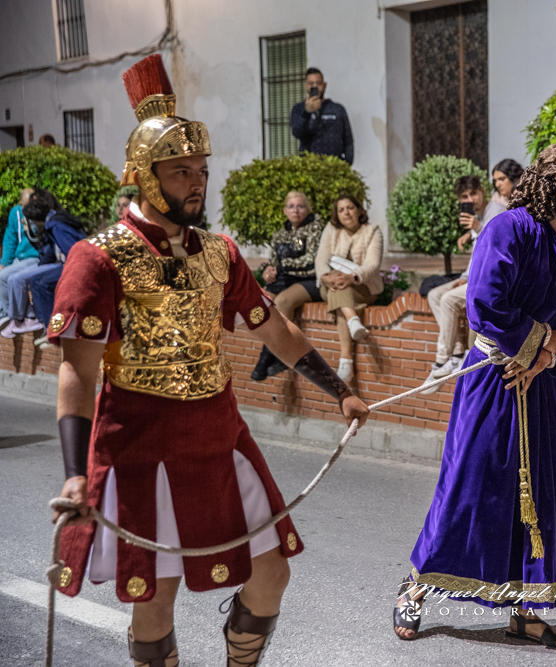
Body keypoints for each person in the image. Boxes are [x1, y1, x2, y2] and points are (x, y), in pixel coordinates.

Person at [48, 54, 369, 667]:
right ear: (144, 177)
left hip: (219, 434)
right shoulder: (97, 258)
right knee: (156, 596)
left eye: (201, 170)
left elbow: (274, 328)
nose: (196, 183)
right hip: (139, 440)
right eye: (180, 172)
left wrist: (340, 391)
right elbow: (77, 371)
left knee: (272, 570)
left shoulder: (219, 253)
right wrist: (74, 472)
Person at [394, 142, 556, 648]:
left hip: (543, 386)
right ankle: (416, 585)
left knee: (544, 497)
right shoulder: (507, 228)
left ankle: (526, 612)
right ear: (548, 181)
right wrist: (540, 339)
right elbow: (484, 303)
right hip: (493, 379)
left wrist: (547, 358)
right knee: (469, 490)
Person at [421, 175, 490, 392]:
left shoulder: (494, 211)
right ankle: (458, 352)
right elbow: (477, 255)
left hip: (487, 280)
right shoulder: (478, 218)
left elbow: (494, 246)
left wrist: (478, 228)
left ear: (482, 191)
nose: (470, 200)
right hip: (473, 276)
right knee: (434, 294)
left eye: (473, 194)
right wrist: (465, 276)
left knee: (449, 299)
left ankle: (441, 361)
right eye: (464, 197)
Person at [250, 191, 325, 381]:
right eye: (291, 206)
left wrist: (282, 266)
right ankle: (275, 355)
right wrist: (268, 271)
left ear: (308, 209)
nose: (296, 210)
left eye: (300, 206)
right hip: (285, 279)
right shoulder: (280, 234)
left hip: (310, 279)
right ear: (285, 211)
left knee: (283, 301)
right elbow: (273, 261)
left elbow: (311, 259)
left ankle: (269, 358)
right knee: (264, 302)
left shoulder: (316, 228)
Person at [314, 192, 383, 383]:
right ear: (336, 214)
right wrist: (326, 277)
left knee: (340, 293)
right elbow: (321, 258)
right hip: (331, 284)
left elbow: (372, 264)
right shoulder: (331, 230)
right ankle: (353, 320)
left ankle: (346, 362)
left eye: (350, 208)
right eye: (341, 210)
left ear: (359, 210)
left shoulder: (373, 231)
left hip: (363, 286)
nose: (346, 213)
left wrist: (352, 277)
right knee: (338, 288)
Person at [1, 189, 86, 339]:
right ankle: (46, 325)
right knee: (35, 280)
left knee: (41, 282)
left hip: (73, 265)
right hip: (60, 262)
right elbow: (47, 252)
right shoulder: (50, 224)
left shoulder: (55, 226)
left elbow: (72, 251)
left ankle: (47, 325)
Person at [289, 67, 354, 164]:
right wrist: (307, 112)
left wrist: (347, 163)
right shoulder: (299, 109)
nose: (315, 87)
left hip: (334, 165)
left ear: (324, 85)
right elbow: (297, 132)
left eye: (318, 83)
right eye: (311, 84)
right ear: (306, 86)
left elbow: (348, 139)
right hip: (309, 165)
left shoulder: (337, 109)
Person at [0, 188, 39, 330]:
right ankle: (8, 314)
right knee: (3, 274)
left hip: (35, 257)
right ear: (20, 203)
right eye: (24, 206)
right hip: (20, 257)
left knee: (8, 277)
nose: (27, 209)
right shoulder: (15, 213)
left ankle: (16, 317)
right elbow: (10, 239)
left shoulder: (40, 213)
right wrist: (5, 262)